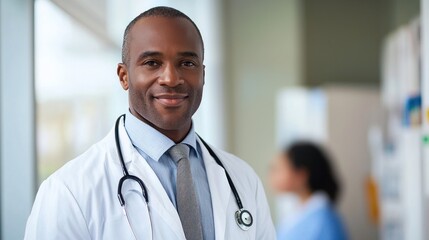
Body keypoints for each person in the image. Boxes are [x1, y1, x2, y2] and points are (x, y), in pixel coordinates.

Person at [24, 6, 275, 240]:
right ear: (124, 76)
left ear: (203, 74)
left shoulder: (242, 179)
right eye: (152, 63)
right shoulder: (69, 191)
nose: (171, 78)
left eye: (187, 63)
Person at [270, 141, 348, 240]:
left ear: (301, 175)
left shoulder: (323, 221)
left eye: (279, 169)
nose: (271, 174)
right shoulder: (298, 214)